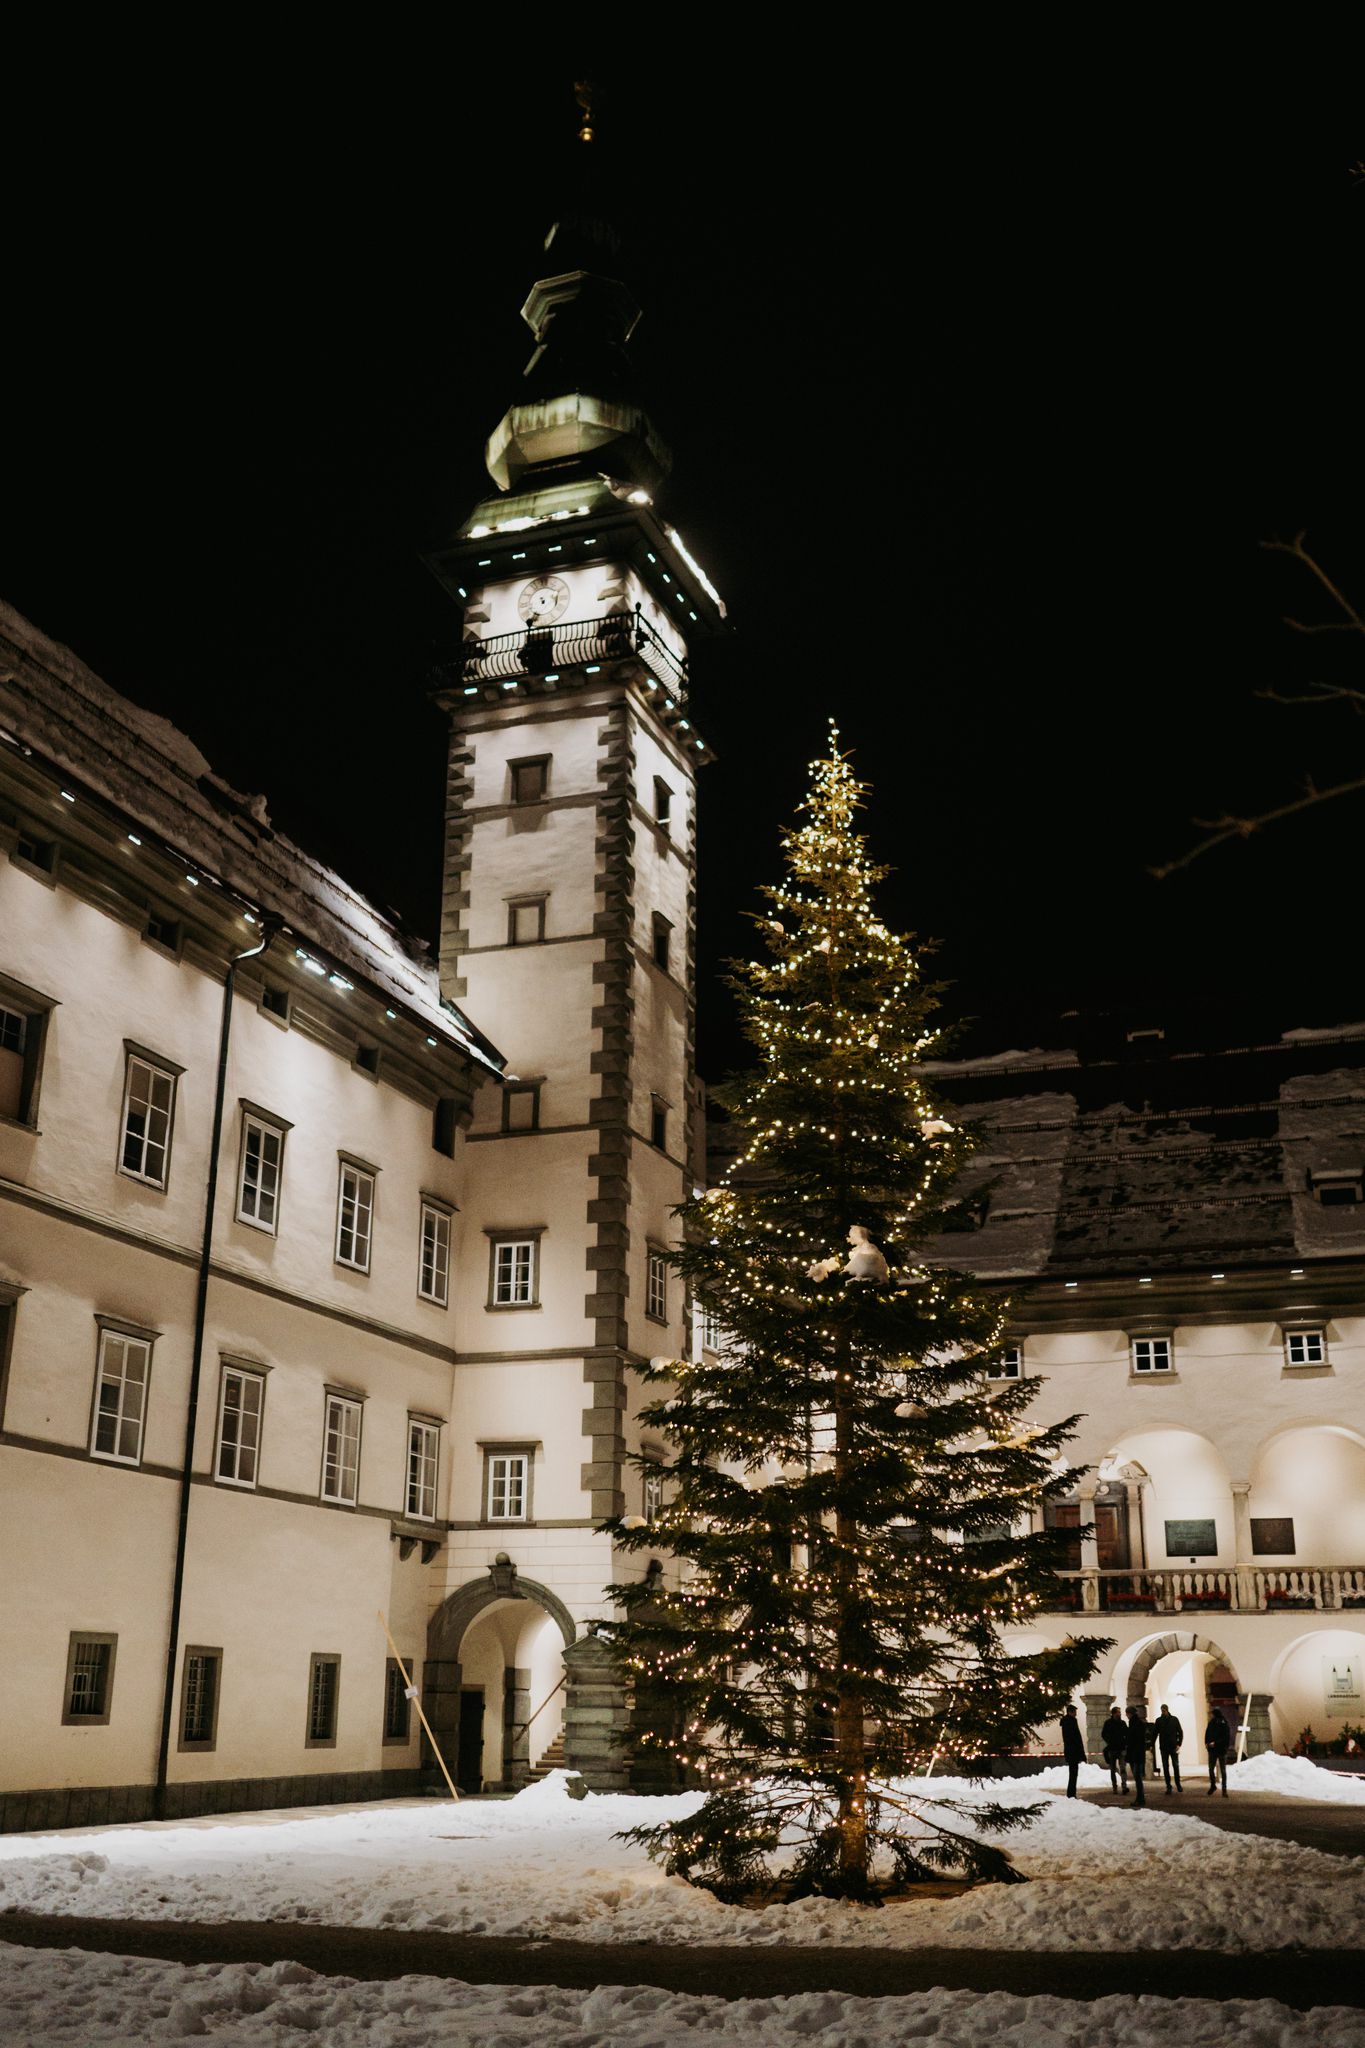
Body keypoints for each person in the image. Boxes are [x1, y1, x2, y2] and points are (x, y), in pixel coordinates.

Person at [1155, 1703, 1184, 1793]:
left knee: (1175, 1766)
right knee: (1165, 1767)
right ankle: (1168, 1786)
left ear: (1167, 1710)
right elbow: (1155, 1733)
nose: (1163, 1712)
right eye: (1162, 1710)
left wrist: (1179, 1744)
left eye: (1164, 1710)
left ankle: (1178, 1784)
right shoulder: (1159, 1720)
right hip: (1164, 1747)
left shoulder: (1174, 1719)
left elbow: (1180, 1732)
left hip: (1173, 1746)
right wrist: (1151, 1744)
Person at [1059, 1702, 1086, 1797]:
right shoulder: (1070, 1722)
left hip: (1070, 1751)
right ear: (1070, 1712)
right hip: (1073, 1752)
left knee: (1073, 1773)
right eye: (1075, 1712)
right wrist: (1081, 1753)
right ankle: (1071, 1793)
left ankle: (1071, 1793)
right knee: (1073, 1774)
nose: (1076, 1714)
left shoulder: (1067, 1722)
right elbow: (1076, 1738)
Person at [1101, 1705, 1129, 1793]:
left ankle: (1124, 1786)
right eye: (1118, 1712)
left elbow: (1127, 1734)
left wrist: (1125, 1742)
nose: (1120, 1714)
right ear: (1113, 1713)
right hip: (1112, 1749)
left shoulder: (1122, 1723)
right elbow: (1103, 1734)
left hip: (1121, 1748)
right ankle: (1115, 1787)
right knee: (1113, 1769)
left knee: (1123, 1768)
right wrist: (1109, 1741)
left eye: (1120, 1712)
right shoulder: (1108, 1723)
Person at [1126, 1703, 1149, 1807]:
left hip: (1135, 1755)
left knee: (1137, 1777)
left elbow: (1133, 1740)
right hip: (1137, 1754)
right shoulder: (1138, 1723)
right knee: (1137, 1777)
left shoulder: (1134, 1724)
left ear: (1130, 1714)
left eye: (1127, 1713)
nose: (1126, 1715)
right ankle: (1140, 1798)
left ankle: (1140, 1798)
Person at [1205, 1708, 1231, 1796]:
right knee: (1211, 1769)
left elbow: (1226, 1737)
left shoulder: (1223, 1722)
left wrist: (1215, 1743)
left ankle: (1224, 1789)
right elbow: (1207, 1733)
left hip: (1221, 1750)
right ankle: (1213, 1786)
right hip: (1212, 1750)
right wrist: (1206, 1743)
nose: (1210, 1715)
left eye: (1211, 1714)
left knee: (1223, 1770)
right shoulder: (1211, 1722)